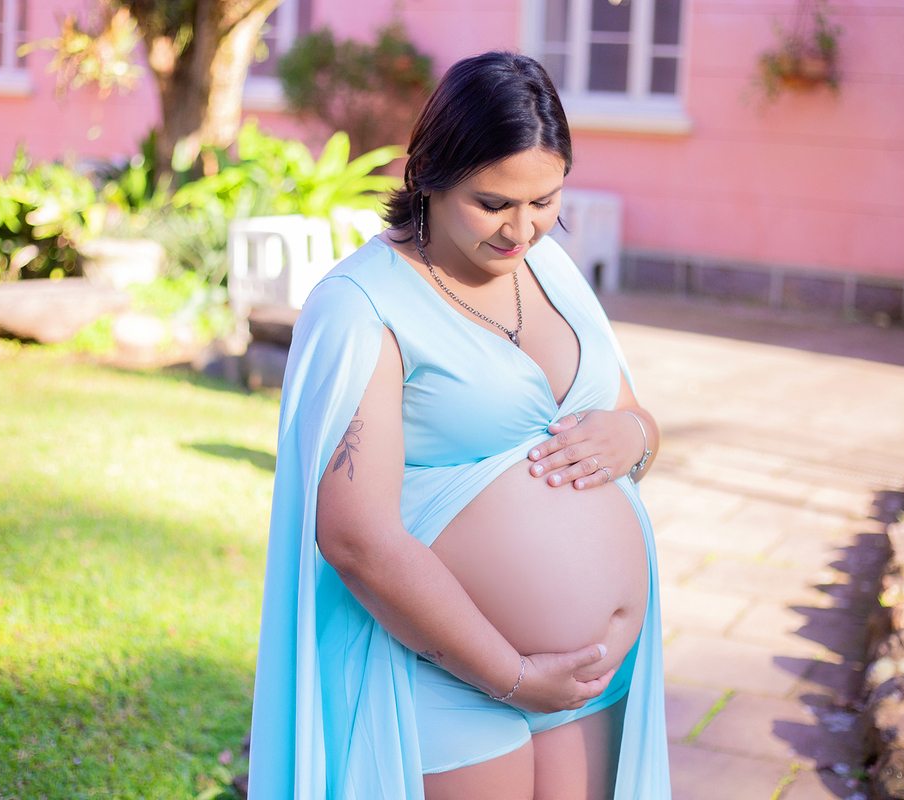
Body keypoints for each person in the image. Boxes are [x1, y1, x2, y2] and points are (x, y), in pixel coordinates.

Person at [248, 52, 670, 800]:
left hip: (587, 681)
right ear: (429, 175)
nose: (521, 229)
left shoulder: (554, 270)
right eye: (493, 202)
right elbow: (354, 537)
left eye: (544, 200)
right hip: (443, 674)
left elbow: (634, 418)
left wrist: (633, 437)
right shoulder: (362, 306)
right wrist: (514, 676)